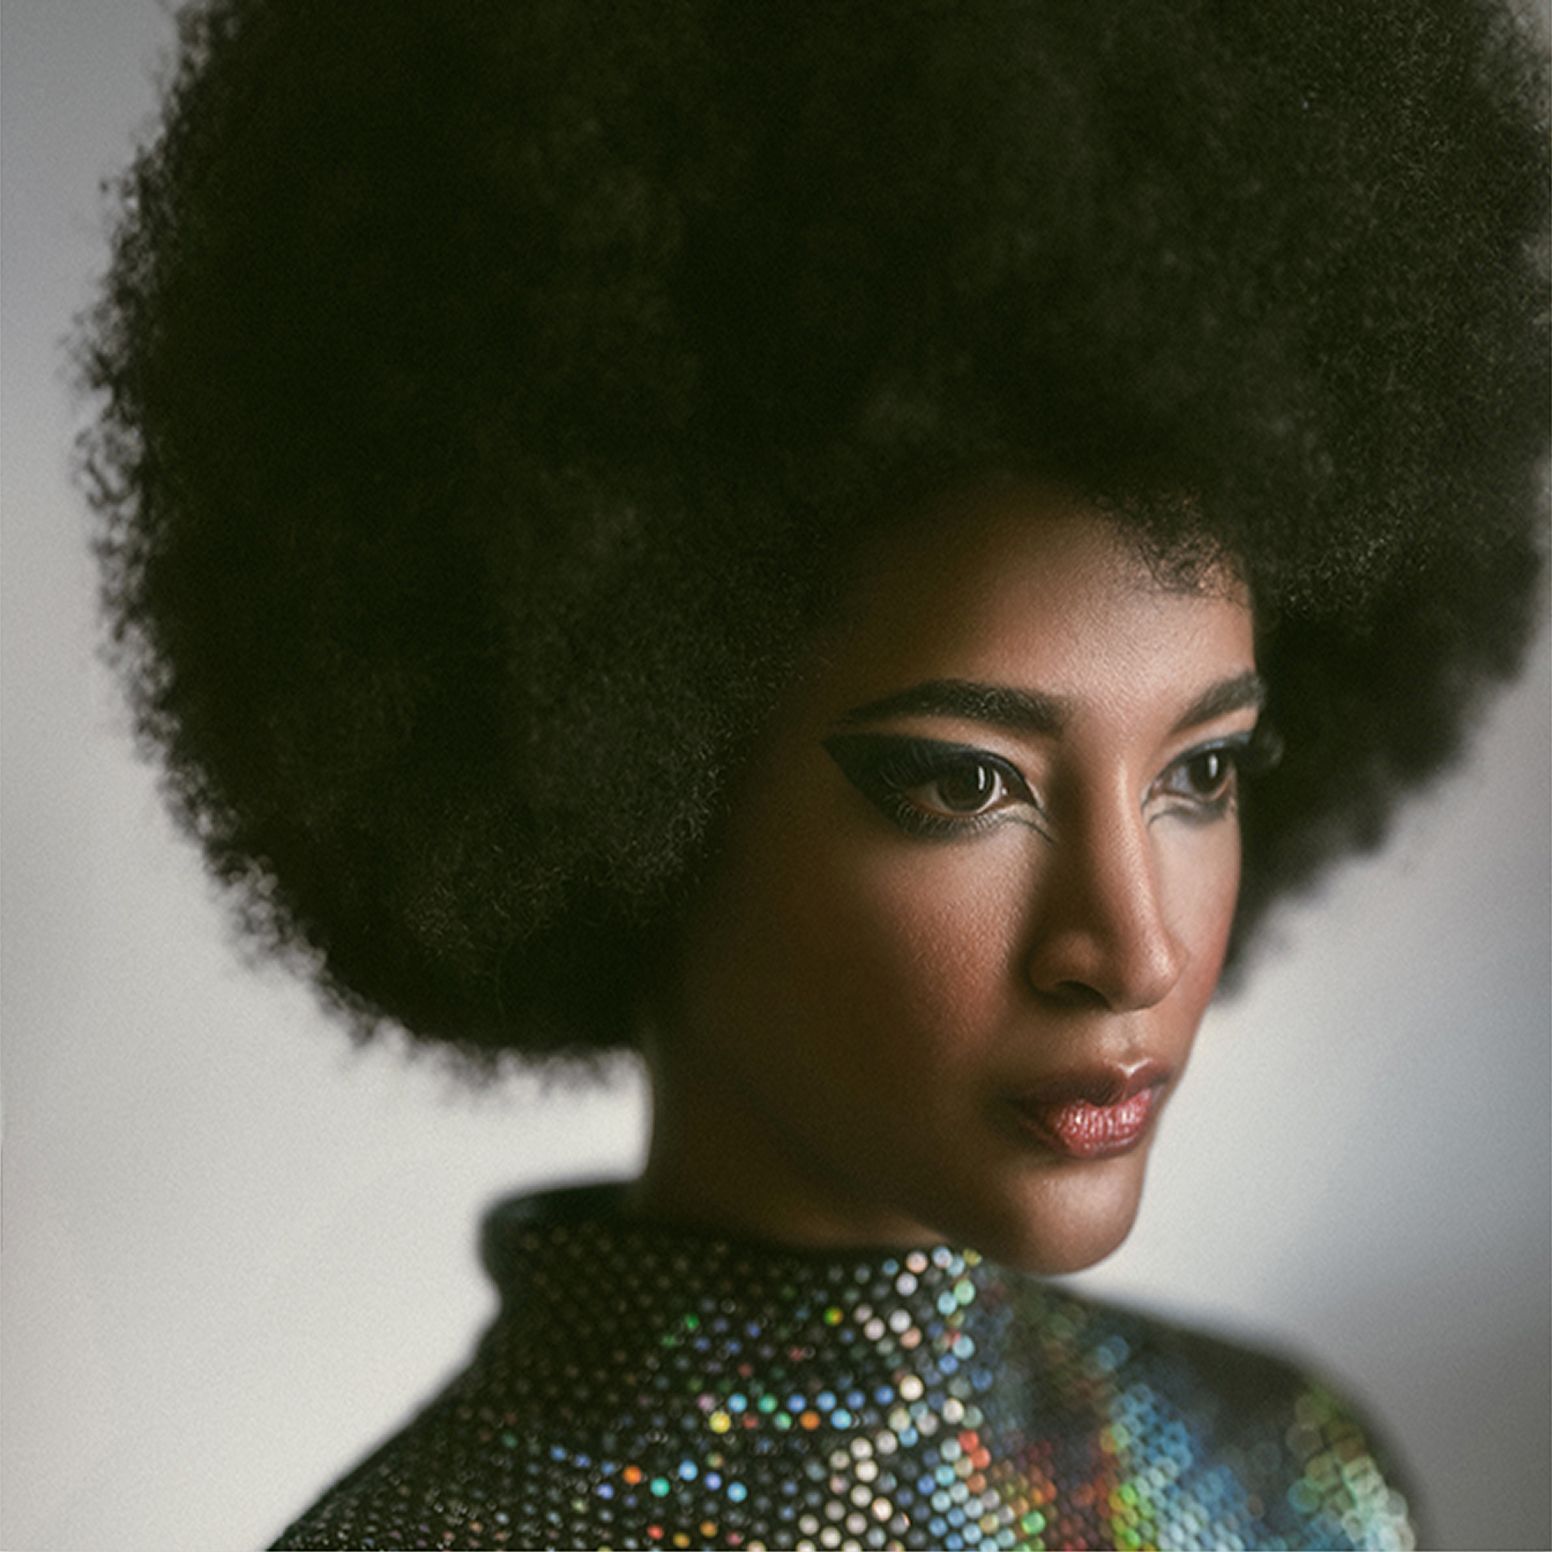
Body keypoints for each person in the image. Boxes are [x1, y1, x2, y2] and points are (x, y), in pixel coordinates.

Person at [77, 1, 1546, 1547]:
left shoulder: (1286, 1485)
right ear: (610, 775)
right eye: (965, 786)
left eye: (1202, 771)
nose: (1136, 947)